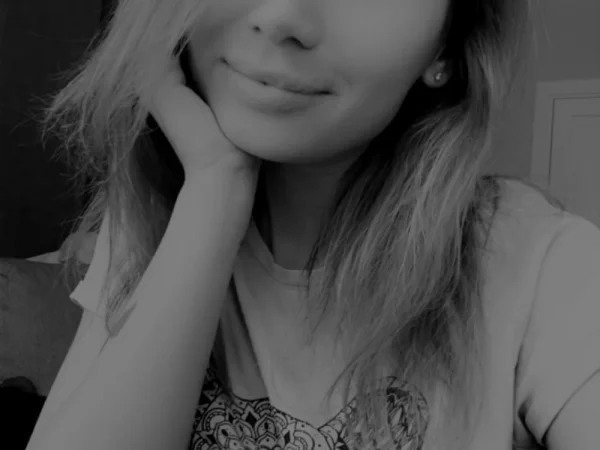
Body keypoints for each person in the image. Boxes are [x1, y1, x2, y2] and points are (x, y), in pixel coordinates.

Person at [25, 0, 600, 449]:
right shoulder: (151, 221)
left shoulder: (543, 265)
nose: (281, 17)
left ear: (445, 48)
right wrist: (215, 189)